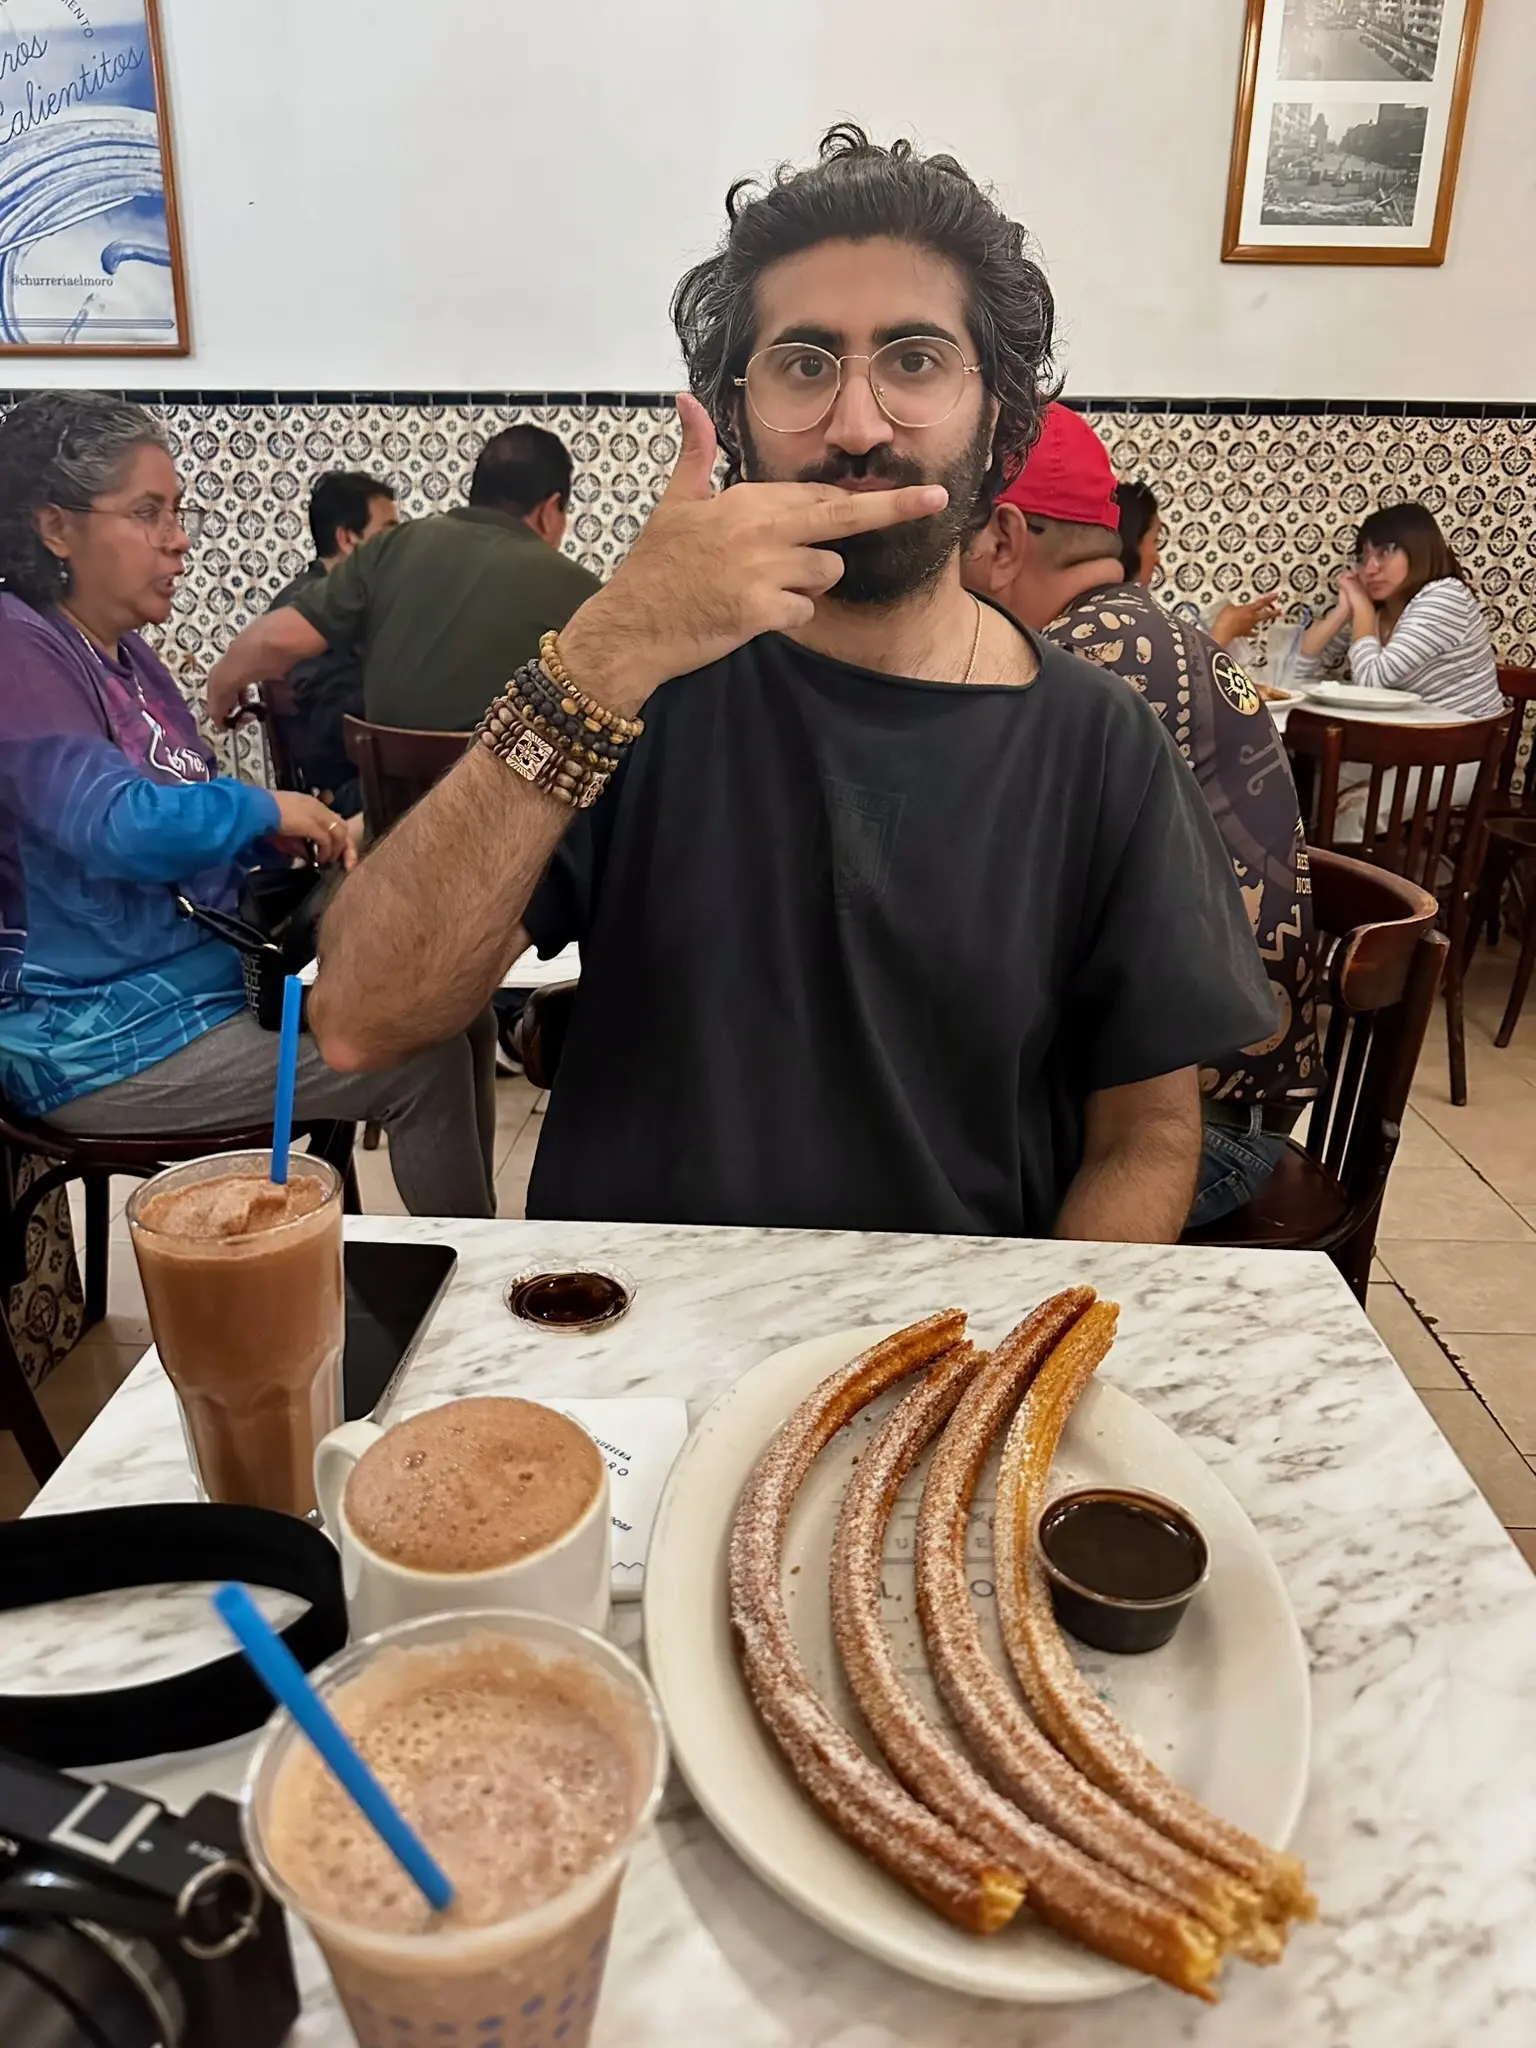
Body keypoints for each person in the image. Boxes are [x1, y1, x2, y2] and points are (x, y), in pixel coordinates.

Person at [307, 125, 1276, 1245]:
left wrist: (1041, 1336)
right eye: (805, 366)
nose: (857, 426)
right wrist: (607, 648)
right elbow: (362, 1021)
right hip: (634, 1324)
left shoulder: (1100, 744)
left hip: (950, 1327)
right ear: (735, 417)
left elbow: (1145, 1136)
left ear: (1000, 419)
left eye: (915, 361)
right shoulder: (635, 692)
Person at [0, 392, 495, 1217]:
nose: (178, 538)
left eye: (177, 511)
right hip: (96, 1041)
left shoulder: (129, 661)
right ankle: (482, 1278)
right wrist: (262, 809)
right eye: (148, 513)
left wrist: (276, 841)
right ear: (55, 527)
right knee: (421, 1060)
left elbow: (183, 815)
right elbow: (112, 826)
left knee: (455, 1010)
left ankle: (472, 1254)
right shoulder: (18, 647)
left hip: (200, 995)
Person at [963, 403, 1318, 1226]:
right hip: (1227, 1100)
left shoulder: (1076, 675)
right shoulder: (1152, 634)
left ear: (1002, 542)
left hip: (1199, 1129)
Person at [205, 427, 601, 734]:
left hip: (388, 807)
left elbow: (277, 639)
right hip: (501, 810)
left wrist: (223, 682)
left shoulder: (391, 545)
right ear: (550, 510)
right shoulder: (577, 589)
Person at [263, 471, 399, 814]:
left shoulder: (363, 604)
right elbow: (335, 720)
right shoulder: (300, 611)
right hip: (353, 790)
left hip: (380, 771)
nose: (399, 547)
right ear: (348, 538)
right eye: (388, 532)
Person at [1294, 502, 1503, 716]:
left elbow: (1370, 684)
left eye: (1385, 552)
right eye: (1363, 558)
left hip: (1463, 732)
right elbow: (1294, 672)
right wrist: (1343, 610)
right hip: (1399, 729)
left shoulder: (1446, 595)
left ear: (1418, 550)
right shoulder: (1377, 609)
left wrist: (1362, 607)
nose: (1370, 569)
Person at [1114, 476, 1280, 651]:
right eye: (1155, 540)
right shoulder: (1112, 623)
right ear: (1130, 544)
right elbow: (1170, 671)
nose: (1158, 559)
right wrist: (1224, 631)